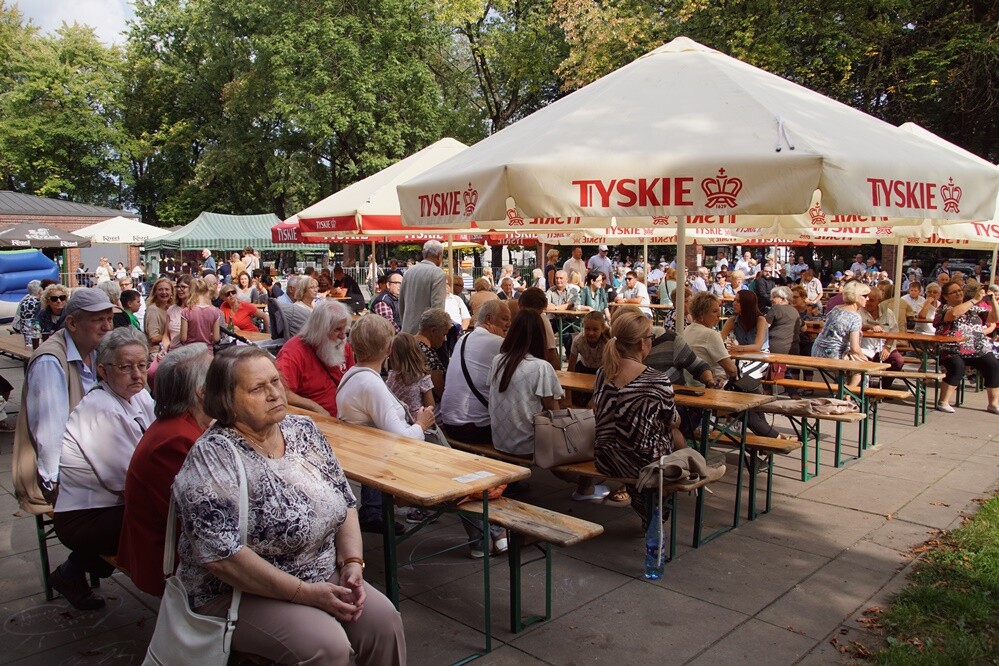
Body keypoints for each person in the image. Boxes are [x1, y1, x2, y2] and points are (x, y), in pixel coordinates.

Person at [171, 346, 406, 663]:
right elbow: (222, 556)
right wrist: (305, 594)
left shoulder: (302, 431)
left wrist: (353, 562)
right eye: (257, 388)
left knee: (385, 623)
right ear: (226, 401)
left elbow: (343, 498)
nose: (273, 394)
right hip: (237, 591)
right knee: (326, 645)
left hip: (321, 572)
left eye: (275, 382)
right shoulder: (213, 457)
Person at [12, 289, 115, 606]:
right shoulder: (49, 361)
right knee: (125, 512)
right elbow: (49, 436)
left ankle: (88, 564)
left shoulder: (93, 352)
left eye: (109, 319)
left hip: (85, 461)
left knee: (140, 494)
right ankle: (73, 571)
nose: (107, 327)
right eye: (98, 321)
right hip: (52, 473)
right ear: (71, 323)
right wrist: (60, 489)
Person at [51, 327, 155, 609]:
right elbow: (124, 480)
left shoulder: (138, 394)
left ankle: (70, 573)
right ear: (102, 370)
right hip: (84, 516)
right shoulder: (101, 408)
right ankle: (178, 593)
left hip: (113, 506)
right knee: (166, 520)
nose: (137, 374)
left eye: (142, 365)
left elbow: (158, 437)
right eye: (125, 367)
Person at [117, 344, 212, 596]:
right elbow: (196, 523)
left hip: (187, 548)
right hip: (167, 562)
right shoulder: (176, 439)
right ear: (202, 393)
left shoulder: (183, 426)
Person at [488, 310, 606, 500]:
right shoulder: (540, 367)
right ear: (539, 337)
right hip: (526, 445)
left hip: (500, 440)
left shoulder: (498, 360)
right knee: (584, 430)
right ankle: (585, 485)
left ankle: (583, 483)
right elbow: (555, 413)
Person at [337, 315, 433, 535]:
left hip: (364, 453)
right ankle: (488, 532)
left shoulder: (352, 375)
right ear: (388, 348)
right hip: (381, 459)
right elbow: (402, 440)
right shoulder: (371, 383)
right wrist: (422, 423)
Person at [593, 309, 686, 525]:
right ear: (642, 343)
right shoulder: (656, 379)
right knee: (675, 433)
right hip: (643, 464)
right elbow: (673, 420)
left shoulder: (602, 372)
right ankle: (659, 504)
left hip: (605, 459)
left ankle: (650, 506)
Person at [680, 292, 786, 439]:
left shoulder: (687, 330)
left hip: (692, 385)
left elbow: (757, 346)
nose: (718, 316)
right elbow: (731, 369)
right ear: (701, 314)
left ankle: (771, 437)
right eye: (715, 311)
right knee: (748, 396)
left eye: (719, 311)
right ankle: (773, 438)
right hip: (709, 388)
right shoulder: (711, 334)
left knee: (748, 394)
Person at [440, 301, 511, 444]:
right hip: (476, 428)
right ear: (489, 319)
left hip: (449, 423)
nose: (509, 324)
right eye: (504, 319)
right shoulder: (498, 343)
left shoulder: (463, 339)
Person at [275, 300, 355, 418]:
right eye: (337, 330)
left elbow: (353, 380)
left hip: (347, 417)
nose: (343, 336)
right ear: (319, 330)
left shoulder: (342, 345)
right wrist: (314, 407)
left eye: (345, 330)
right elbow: (281, 391)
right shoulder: (293, 352)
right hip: (318, 422)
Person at [934, 281, 999, 414]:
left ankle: (993, 404)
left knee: (993, 364)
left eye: (960, 290)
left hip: (977, 347)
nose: (959, 293)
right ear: (946, 296)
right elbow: (954, 314)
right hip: (952, 347)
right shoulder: (944, 308)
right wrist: (975, 299)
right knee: (957, 366)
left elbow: (994, 318)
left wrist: (993, 302)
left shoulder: (975, 308)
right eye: (954, 291)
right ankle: (943, 402)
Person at [812, 281, 870, 385]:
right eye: (865, 296)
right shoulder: (855, 317)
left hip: (817, 351)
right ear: (856, 297)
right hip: (833, 355)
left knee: (852, 364)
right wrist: (865, 359)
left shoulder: (836, 308)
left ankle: (842, 391)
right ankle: (847, 395)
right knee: (862, 369)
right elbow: (855, 348)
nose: (867, 299)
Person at [859, 286, 904, 386]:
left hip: (884, 347)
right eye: (867, 299)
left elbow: (894, 331)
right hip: (864, 348)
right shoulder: (859, 311)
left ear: (879, 301)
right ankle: (863, 388)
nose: (868, 303)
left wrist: (887, 347)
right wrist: (869, 327)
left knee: (898, 361)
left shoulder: (888, 313)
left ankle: (884, 388)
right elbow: (855, 327)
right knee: (860, 361)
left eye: (872, 300)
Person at [399, 240, 447, 334]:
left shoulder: (408, 272)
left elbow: (401, 303)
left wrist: (404, 324)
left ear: (423, 254)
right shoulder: (438, 273)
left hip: (407, 331)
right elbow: (437, 308)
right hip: (426, 334)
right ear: (439, 255)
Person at [518, 287, 560, 369]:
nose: (534, 318)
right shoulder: (510, 314)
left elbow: (552, 354)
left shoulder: (542, 320)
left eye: (539, 313)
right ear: (520, 306)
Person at [415, 308, 451, 402]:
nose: (444, 339)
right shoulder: (428, 353)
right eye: (444, 334)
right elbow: (439, 388)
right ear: (433, 331)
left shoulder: (409, 343)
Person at [179, 278, 222, 349]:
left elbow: (183, 338)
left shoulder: (186, 311)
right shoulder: (215, 312)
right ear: (207, 292)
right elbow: (216, 338)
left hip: (190, 351)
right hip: (207, 351)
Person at [568, 311, 610, 376]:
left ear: (602, 328)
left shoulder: (607, 342)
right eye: (587, 329)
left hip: (603, 371)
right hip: (583, 369)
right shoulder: (578, 341)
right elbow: (571, 367)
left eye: (595, 329)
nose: (591, 333)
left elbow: (613, 364)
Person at [766, 286, 801, 355]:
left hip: (775, 349)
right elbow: (804, 328)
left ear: (783, 299)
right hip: (793, 349)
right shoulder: (795, 310)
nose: (771, 299)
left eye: (774, 297)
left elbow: (764, 327)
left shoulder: (775, 308)